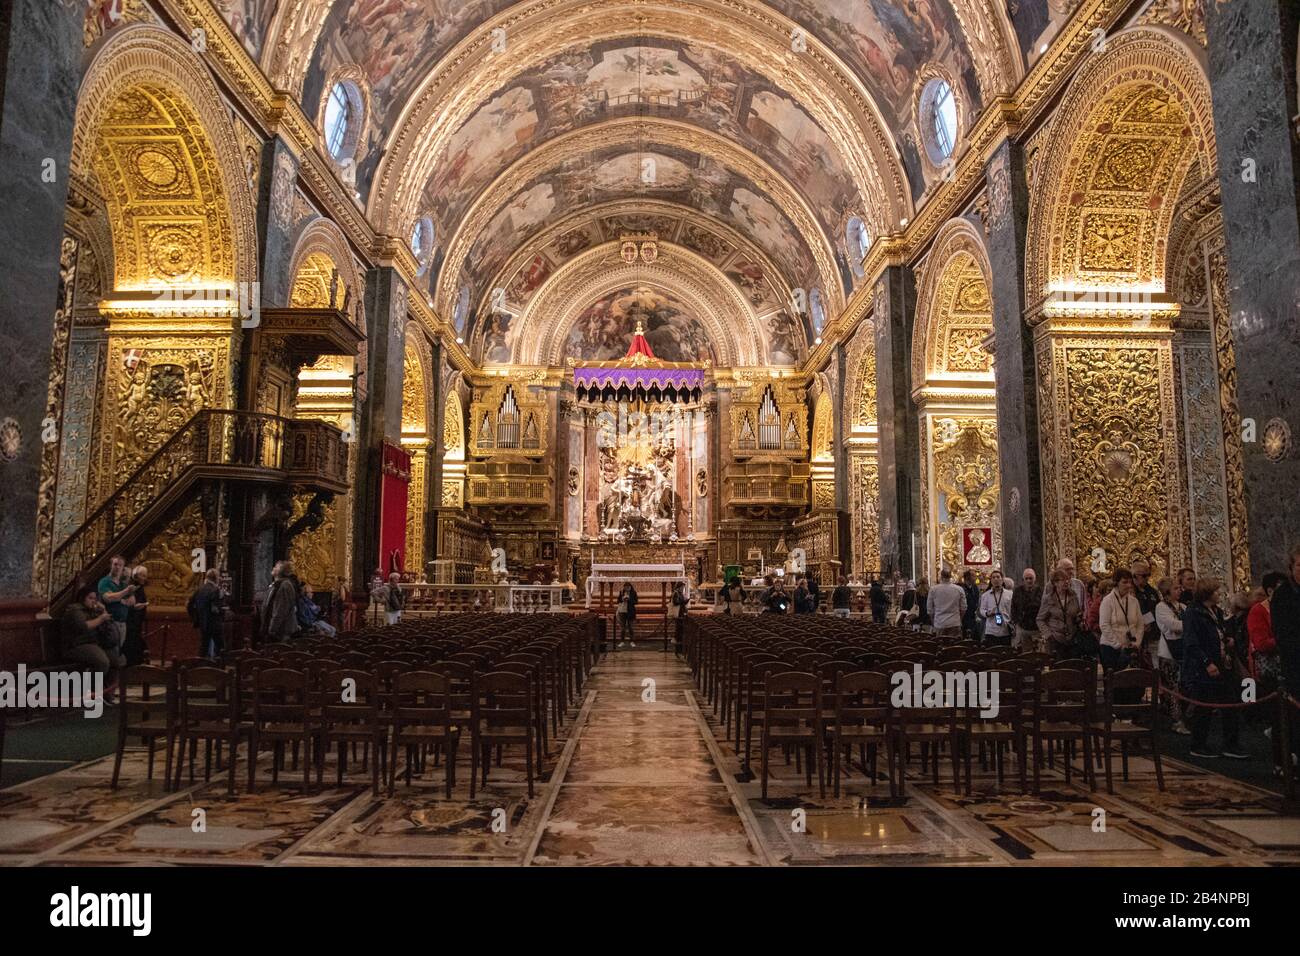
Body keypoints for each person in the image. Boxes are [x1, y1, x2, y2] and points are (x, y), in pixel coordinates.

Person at [1182, 577, 1248, 760]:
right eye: (1216, 591)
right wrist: (1206, 662)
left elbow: (1218, 631)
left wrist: (1227, 639)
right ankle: (1198, 744)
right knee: (1204, 708)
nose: (1219, 594)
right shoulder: (1193, 613)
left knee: (1230, 703)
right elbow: (1191, 642)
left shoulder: (1215, 611)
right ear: (1207, 593)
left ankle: (1230, 743)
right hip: (1204, 667)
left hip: (1221, 664)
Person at [1267, 545, 1300, 771]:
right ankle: (1285, 761)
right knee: (1289, 717)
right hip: (1293, 665)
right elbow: (1283, 633)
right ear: (1292, 568)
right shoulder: (1283, 595)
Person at [62, 585, 123, 686]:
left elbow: (108, 624)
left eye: (95, 598)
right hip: (76, 645)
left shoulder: (93, 610)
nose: (93, 601)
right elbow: (83, 626)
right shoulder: (74, 610)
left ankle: (107, 694)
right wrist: (101, 619)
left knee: (116, 661)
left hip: (93, 643)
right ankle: (90, 690)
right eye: (90, 598)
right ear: (82, 598)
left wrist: (103, 611)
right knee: (102, 662)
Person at [1154, 576, 1189, 735]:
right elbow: (1173, 626)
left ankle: (1186, 717)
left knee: (1183, 686)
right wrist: (1189, 625)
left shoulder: (1182, 606)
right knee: (1172, 687)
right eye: (1175, 588)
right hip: (1168, 652)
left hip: (1183, 649)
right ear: (1167, 592)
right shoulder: (1161, 607)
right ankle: (1176, 720)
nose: (1179, 590)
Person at [1099, 568, 1144, 673]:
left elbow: (1140, 624)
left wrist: (1137, 642)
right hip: (1110, 648)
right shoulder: (1107, 601)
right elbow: (1104, 625)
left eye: (1130, 582)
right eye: (1124, 582)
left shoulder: (1134, 601)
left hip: (1131, 647)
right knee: (1114, 682)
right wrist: (1118, 645)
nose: (1128, 585)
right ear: (1116, 583)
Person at [1036, 569, 1081, 660]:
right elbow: (1040, 619)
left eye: (1068, 579)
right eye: (1063, 580)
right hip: (1055, 639)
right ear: (1055, 583)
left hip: (1072, 638)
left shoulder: (1073, 596)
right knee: (1058, 670)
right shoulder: (1048, 599)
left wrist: (1079, 619)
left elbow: (1076, 613)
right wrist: (1048, 635)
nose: (1066, 582)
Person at [97, 554, 136, 660]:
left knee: (118, 651)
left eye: (120, 565)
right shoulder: (105, 581)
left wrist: (128, 597)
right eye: (115, 564)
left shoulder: (122, 584)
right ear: (111, 565)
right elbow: (108, 598)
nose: (117, 567)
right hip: (111, 623)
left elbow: (132, 601)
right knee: (110, 653)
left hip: (122, 623)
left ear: (123, 567)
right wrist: (125, 592)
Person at [189, 568, 225, 659]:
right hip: (214, 623)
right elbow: (215, 608)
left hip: (202, 622)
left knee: (203, 647)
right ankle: (220, 668)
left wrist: (195, 617)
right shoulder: (215, 590)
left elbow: (189, 605)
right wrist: (222, 611)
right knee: (220, 647)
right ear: (216, 578)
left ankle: (200, 668)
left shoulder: (199, 589)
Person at [1131, 560, 1162, 666]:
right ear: (1134, 576)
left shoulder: (1152, 591)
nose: (1147, 578)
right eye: (1144, 576)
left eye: (1148, 575)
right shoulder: (1130, 591)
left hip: (1152, 632)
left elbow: (1158, 608)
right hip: (1136, 634)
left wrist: (1149, 620)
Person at [262, 561, 300, 643]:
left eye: (276, 567)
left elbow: (280, 610)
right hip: (275, 629)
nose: (274, 568)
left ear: (282, 570)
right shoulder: (275, 585)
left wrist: (272, 629)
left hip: (282, 630)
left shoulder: (285, 585)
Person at [122, 564, 150, 666]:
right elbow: (128, 603)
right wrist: (136, 607)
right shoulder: (133, 587)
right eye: (142, 575)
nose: (144, 578)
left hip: (137, 622)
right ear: (135, 576)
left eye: (145, 576)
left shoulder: (140, 587)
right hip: (130, 621)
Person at [1011, 568, 1043, 652]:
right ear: (1023, 579)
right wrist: (1016, 621)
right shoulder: (1018, 591)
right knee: (1025, 652)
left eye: (1031, 578)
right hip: (1023, 626)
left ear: (1034, 579)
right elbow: (1013, 606)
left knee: (1038, 652)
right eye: (1026, 578)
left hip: (1037, 627)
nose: (1029, 581)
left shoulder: (1040, 590)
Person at [929, 569, 967, 641]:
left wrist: (933, 621)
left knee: (940, 646)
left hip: (939, 623)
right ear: (951, 576)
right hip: (954, 622)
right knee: (954, 647)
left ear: (941, 576)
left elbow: (930, 610)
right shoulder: (959, 589)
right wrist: (959, 618)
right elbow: (964, 608)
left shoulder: (933, 589)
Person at [980, 569, 1014, 647]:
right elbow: (982, 610)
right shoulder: (985, 595)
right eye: (993, 577)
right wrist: (987, 613)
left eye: (998, 577)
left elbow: (1013, 609)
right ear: (991, 580)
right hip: (991, 630)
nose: (996, 579)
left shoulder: (1010, 594)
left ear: (1002, 580)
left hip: (1005, 629)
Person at [960, 570, 982, 641]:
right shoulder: (961, 588)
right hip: (964, 617)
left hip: (973, 617)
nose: (976, 577)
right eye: (974, 575)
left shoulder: (975, 588)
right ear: (967, 577)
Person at [616, 581, 638, 646]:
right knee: (623, 628)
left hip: (630, 611)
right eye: (626, 587)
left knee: (630, 627)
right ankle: (622, 641)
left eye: (628, 587)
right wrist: (622, 599)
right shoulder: (622, 592)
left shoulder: (633, 593)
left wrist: (629, 599)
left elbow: (636, 601)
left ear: (630, 587)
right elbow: (618, 601)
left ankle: (632, 641)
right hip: (622, 611)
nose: (627, 589)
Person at [669, 581, 688, 654]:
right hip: (678, 613)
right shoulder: (676, 593)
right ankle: (678, 649)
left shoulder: (679, 593)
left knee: (680, 630)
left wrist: (684, 601)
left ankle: (680, 648)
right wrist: (683, 601)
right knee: (679, 630)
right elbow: (675, 602)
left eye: (683, 587)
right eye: (682, 587)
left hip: (681, 612)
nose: (683, 588)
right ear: (679, 587)